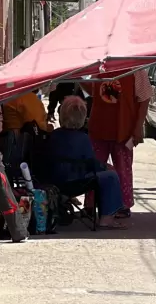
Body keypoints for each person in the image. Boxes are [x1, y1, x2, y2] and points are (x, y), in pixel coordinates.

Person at [45, 96, 126, 229]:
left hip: (54, 179)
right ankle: (107, 218)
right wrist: (104, 166)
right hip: (76, 180)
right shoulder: (83, 138)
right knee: (110, 175)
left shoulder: (54, 135)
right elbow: (91, 163)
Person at [84, 69, 151, 219]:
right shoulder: (101, 64)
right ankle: (90, 204)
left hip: (124, 128)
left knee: (123, 169)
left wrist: (138, 126)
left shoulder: (136, 68)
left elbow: (144, 97)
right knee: (94, 168)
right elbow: (93, 91)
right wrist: (79, 78)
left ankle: (123, 205)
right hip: (99, 127)